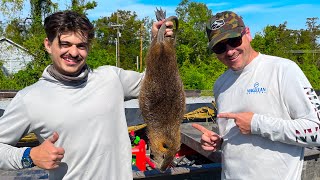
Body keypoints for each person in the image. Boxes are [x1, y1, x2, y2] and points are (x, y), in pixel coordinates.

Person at [0, 10, 173, 179]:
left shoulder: (111, 78)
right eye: (65, 44)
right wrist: (30, 156)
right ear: (48, 44)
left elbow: (156, 84)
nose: (74, 53)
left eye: (81, 46)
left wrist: (159, 43)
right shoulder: (30, 99)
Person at [192, 11, 320, 179]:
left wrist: (257, 124)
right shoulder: (220, 85)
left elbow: (316, 132)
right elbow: (236, 138)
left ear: (248, 34)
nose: (229, 51)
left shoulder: (283, 70)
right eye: (220, 47)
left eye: (234, 40)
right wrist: (218, 141)